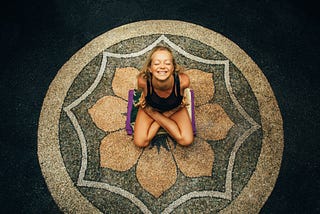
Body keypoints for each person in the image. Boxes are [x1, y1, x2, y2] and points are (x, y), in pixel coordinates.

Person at [133, 45, 194, 148]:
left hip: (175, 108)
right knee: (140, 142)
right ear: (150, 68)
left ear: (173, 67)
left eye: (167, 63)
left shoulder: (183, 81)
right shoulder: (142, 81)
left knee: (186, 140)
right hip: (150, 106)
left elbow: (183, 95)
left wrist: (155, 114)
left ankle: (160, 115)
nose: (162, 66)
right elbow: (143, 93)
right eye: (157, 63)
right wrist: (144, 99)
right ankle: (164, 116)